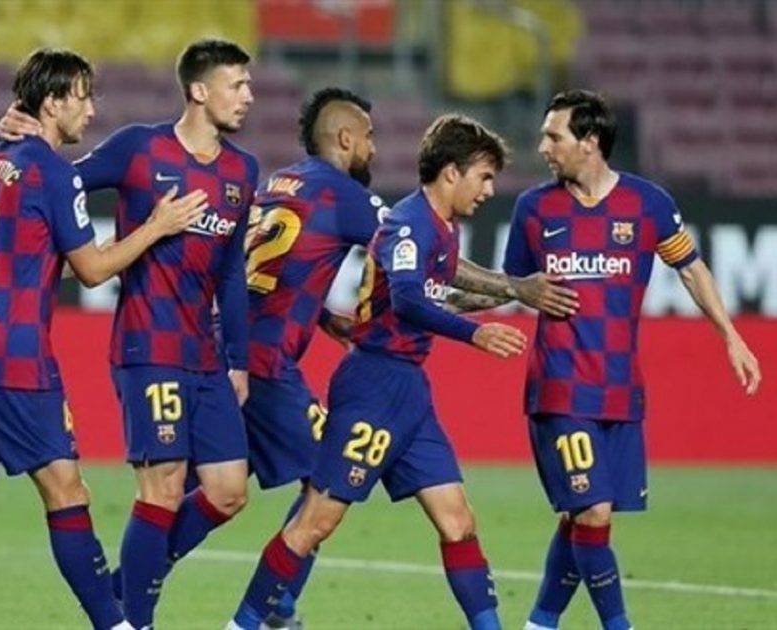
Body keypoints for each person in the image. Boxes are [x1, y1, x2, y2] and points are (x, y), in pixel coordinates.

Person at [0, 48, 206, 630]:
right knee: (67, 491)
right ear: (53, 102)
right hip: (17, 356)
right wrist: (157, 227)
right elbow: (93, 270)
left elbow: (25, 255)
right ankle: (115, 625)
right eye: (82, 96)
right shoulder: (53, 172)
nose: (91, 109)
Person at [239, 87, 580, 629]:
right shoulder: (407, 223)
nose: (490, 190)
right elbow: (409, 300)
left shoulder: (442, 230)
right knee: (314, 523)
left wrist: (516, 291)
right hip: (373, 385)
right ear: (452, 173)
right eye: (483, 177)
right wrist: (477, 333)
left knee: (457, 520)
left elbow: (437, 296)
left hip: (409, 392)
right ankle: (246, 622)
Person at [0, 38, 258, 630]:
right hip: (147, 346)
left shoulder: (242, 171)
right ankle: (136, 621)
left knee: (228, 491)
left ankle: (123, 590)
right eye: (237, 84)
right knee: (162, 488)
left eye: (248, 85)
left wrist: (238, 359)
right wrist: (16, 139)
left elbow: (231, 273)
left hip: (205, 354)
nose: (248, 96)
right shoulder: (140, 149)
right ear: (199, 91)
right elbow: (55, 182)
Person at [504, 90, 762, 630]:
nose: (543, 147)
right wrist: (439, 293)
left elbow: (690, 269)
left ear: (590, 141)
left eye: (554, 136)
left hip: (621, 391)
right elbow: (508, 285)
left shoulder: (648, 204)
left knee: (586, 519)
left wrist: (730, 336)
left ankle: (539, 624)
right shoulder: (533, 208)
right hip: (561, 387)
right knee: (592, 511)